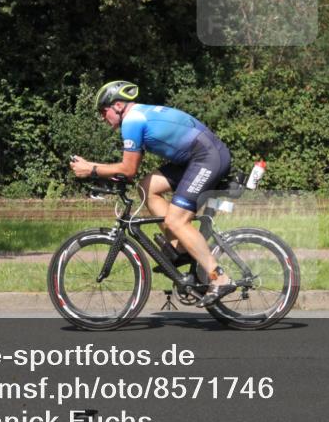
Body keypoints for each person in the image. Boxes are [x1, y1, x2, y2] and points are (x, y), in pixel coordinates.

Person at [69, 81, 236, 306]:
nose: (102, 117)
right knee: (146, 187)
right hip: (195, 158)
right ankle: (182, 247)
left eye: (103, 111)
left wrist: (91, 169)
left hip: (206, 157)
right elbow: (131, 175)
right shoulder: (137, 116)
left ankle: (219, 277)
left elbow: (128, 169)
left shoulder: (132, 121)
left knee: (176, 221)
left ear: (118, 105)